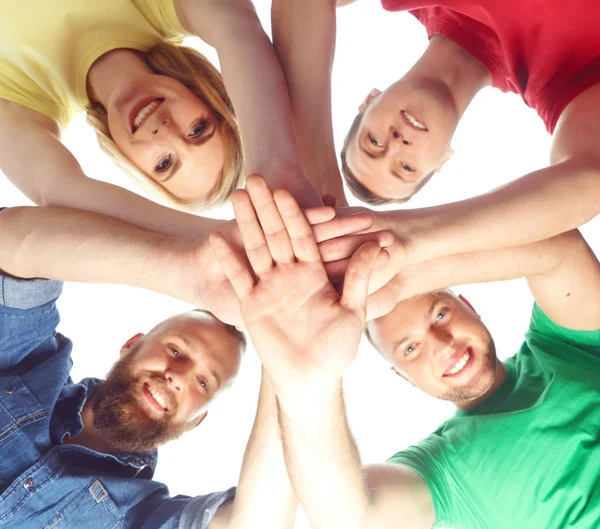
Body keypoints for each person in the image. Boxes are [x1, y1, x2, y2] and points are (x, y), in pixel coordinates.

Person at [213, 178, 600, 527]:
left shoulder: (561, 346)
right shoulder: (443, 468)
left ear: (469, 303)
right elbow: (350, 518)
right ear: (402, 376)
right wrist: (308, 386)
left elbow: (559, 249)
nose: (444, 344)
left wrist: (400, 280)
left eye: (441, 313)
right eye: (410, 348)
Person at [0, 201, 307, 529]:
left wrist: (283, 359)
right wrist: (184, 270)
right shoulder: (31, 366)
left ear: (195, 421)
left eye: (203, 383)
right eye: (176, 351)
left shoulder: (141, 516)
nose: (178, 377)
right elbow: (11, 242)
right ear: (131, 346)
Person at [271, 0, 600, 302]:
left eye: (373, 143)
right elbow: (590, 180)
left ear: (370, 100)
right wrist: (406, 238)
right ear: (443, 159)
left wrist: (319, 179)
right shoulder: (564, 84)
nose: (397, 145)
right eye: (405, 167)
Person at [0, 0, 320, 233]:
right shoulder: (163, 8)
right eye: (197, 129)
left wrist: (215, 240)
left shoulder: (27, 103)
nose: (164, 133)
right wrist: (277, 166)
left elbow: (57, 190)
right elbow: (237, 28)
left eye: (164, 164)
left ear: (135, 168)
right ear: (209, 94)